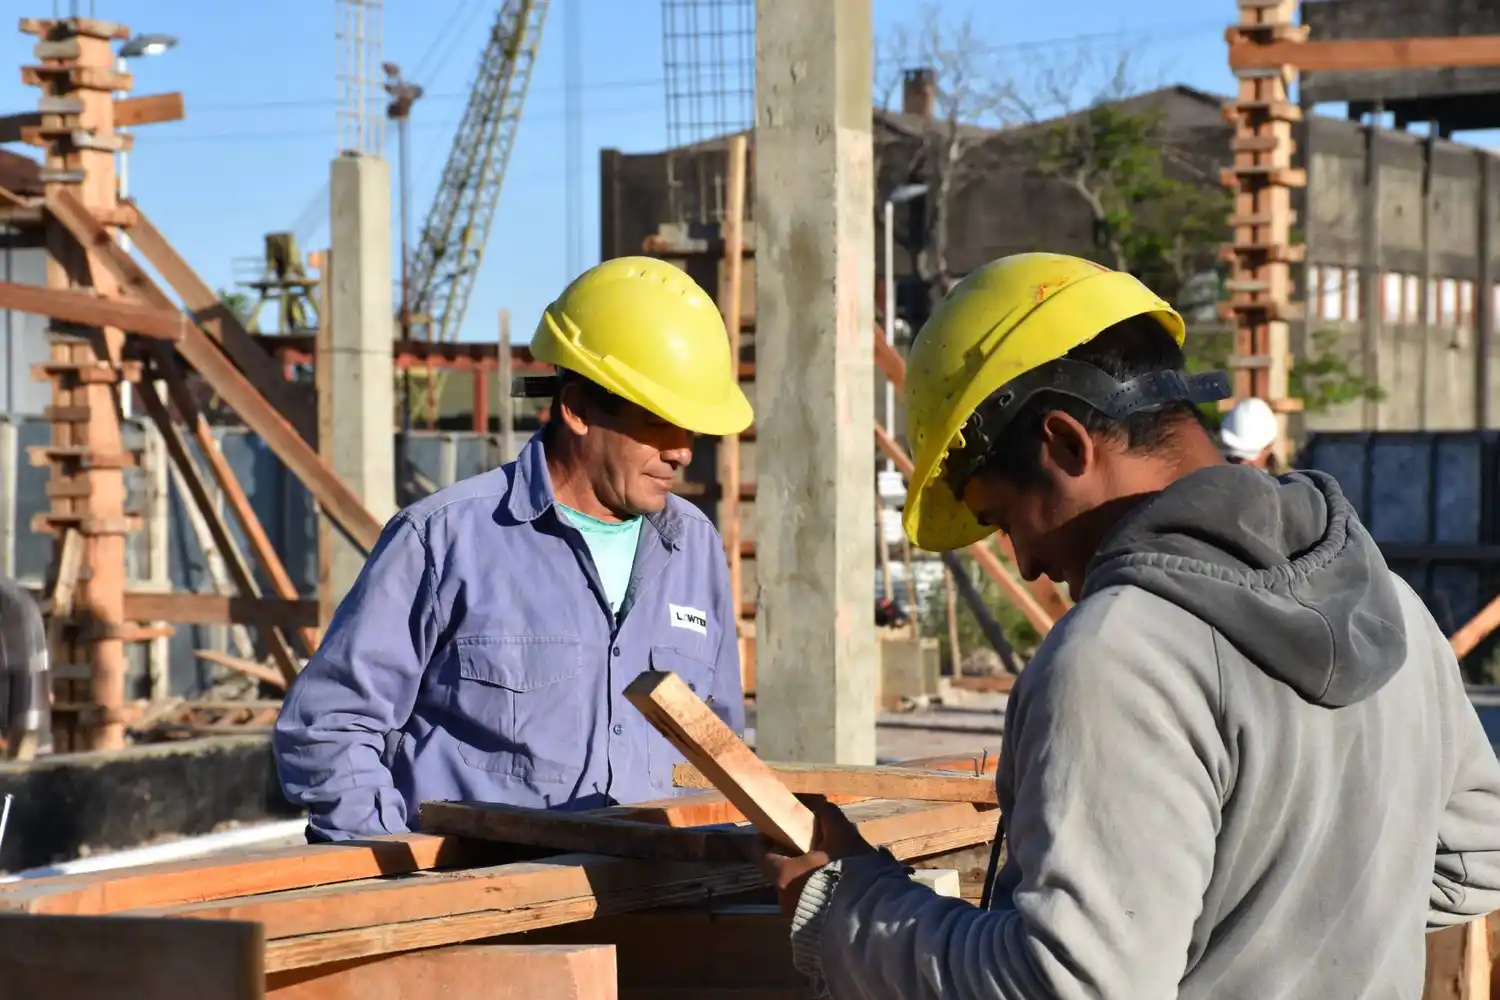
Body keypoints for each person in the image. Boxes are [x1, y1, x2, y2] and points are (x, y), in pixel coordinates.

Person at [753, 252, 1500, 998]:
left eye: (1006, 519)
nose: (1027, 562)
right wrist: (1293, 928)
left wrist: (847, 904)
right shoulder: (1390, 608)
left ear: (1065, 445)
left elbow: (1069, 987)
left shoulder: (1117, 658)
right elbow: (1475, 857)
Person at [274, 255, 752, 842]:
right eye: (662, 423)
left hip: (659, 916)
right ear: (576, 408)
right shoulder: (445, 539)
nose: (682, 451)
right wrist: (400, 883)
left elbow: (718, 748)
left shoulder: (694, 546)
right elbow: (329, 725)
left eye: (694, 430)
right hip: (485, 917)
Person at [1219, 394, 1279, 470]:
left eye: (1251, 462)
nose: (1242, 463)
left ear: (1268, 447)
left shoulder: (1287, 480)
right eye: (1236, 458)